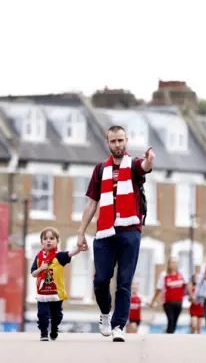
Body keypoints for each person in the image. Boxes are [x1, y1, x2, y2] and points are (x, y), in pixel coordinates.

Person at [76, 125, 155, 342]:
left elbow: (145, 166)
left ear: (126, 141)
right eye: (113, 141)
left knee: (124, 281)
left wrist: (150, 159)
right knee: (101, 280)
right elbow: (92, 203)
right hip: (105, 231)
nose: (117, 145)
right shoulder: (101, 170)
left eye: (121, 140)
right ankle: (105, 313)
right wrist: (81, 232)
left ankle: (119, 325)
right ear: (107, 143)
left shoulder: (134, 165)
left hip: (130, 231)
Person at [29, 226, 83, 341]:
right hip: (43, 293)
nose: (48, 240)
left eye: (51, 238)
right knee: (43, 314)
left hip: (56, 293)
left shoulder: (59, 257)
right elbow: (33, 273)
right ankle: (43, 333)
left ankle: (54, 328)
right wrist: (40, 269)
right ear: (41, 242)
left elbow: (71, 253)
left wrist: (79, 247)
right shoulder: (38, 258)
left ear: (57, 241)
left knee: (56, 315)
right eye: (45, 238)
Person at [151, 257, 193, 334]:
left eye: (175, 263)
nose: (174, 264)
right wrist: (153, 300)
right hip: (168, 302)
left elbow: (187, 285)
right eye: (172, 263)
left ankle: (169, 332)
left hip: (179, 302)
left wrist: (192, 296)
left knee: (175, 321)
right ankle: (169, 333)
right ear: (169, 265)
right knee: (170, 320)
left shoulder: (181, 274)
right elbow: (159, 289)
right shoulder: (164, 275)